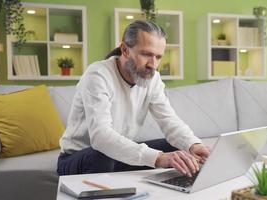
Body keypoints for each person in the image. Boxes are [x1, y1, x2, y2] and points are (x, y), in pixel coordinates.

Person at [57, 20, 210, 177]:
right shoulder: (98, 75)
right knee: (103, 154)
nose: (153, 64)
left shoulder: (153, 78)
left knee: (179, 150)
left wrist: (193, 145)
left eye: (158, 57)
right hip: (78, 158)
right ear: (125, 49)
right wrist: (157, 158)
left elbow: (169, 121)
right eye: (146, 54)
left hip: (115, 156)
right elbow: (100, 137)